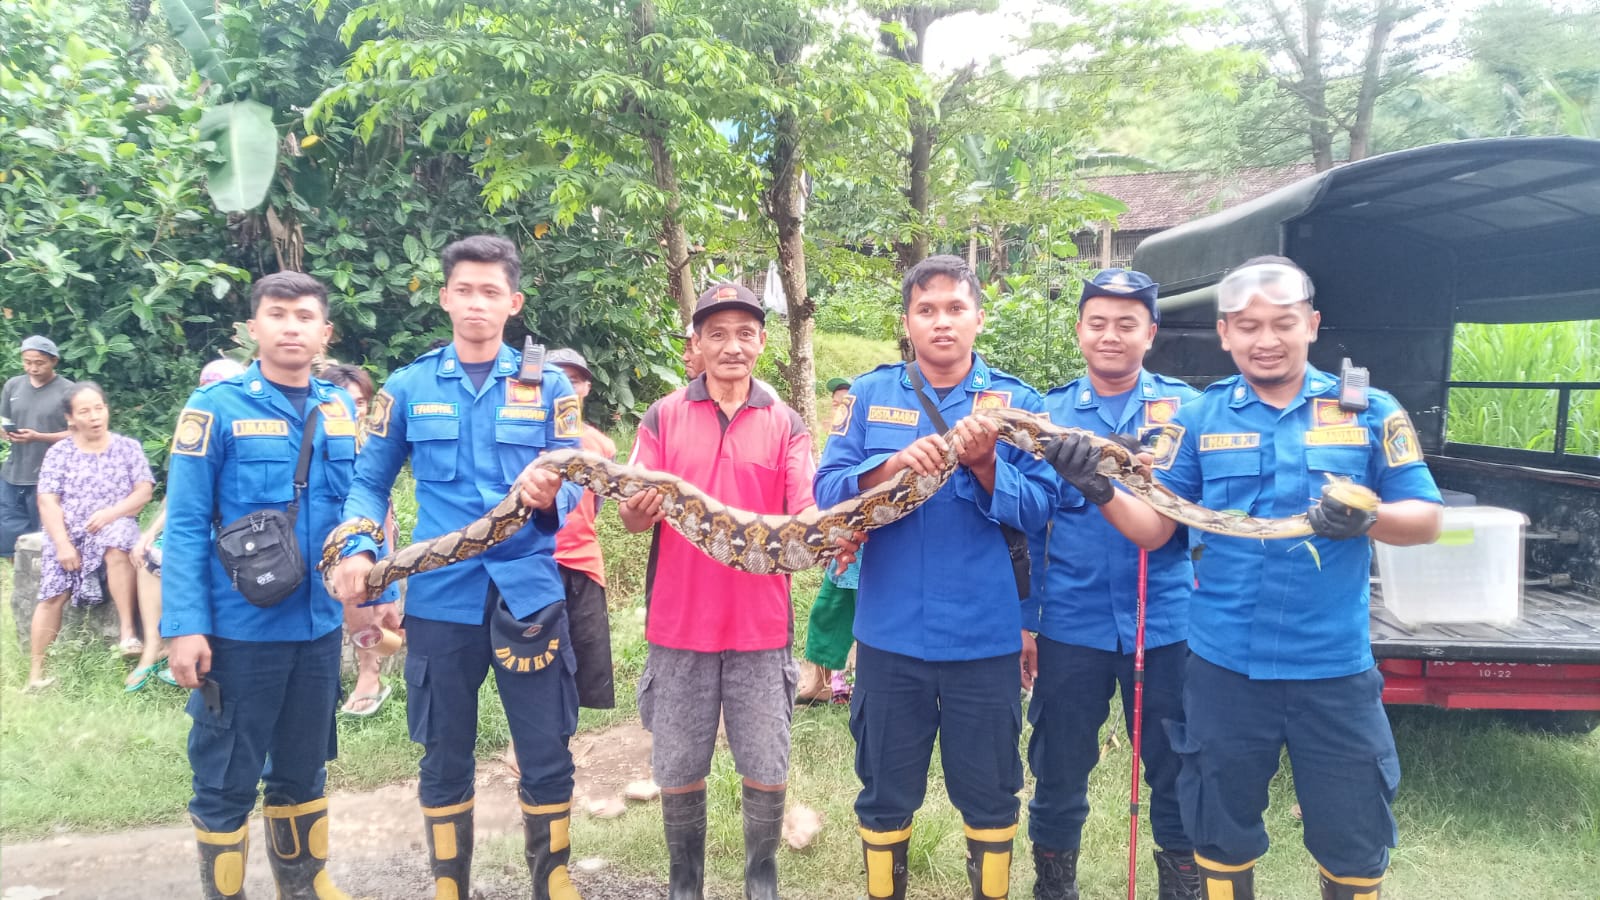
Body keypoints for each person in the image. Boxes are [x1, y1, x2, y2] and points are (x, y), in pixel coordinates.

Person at [1047, 256, 1443, 900]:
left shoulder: (1370, 409)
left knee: (1354, 840)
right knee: (1218, 835)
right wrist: (1097, 487)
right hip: (1224, 669)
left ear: (1311, 325)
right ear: (1225, 333)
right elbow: (1157, 528)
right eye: (1248, 326)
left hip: (1333, 670)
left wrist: (1368, 515)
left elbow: (1424, 520)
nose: (1266, 340)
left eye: (1282, 324)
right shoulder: (1199, 420)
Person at [331, 235, 585, 900]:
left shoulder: (548, 384)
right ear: (445, 297)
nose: (477, 303)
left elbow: (580, 478)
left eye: (491, 291)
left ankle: (552, 880)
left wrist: (554, 490)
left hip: (526, 591)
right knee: (444, 753)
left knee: (546, 747)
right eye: (464, 290)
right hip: (440, 598)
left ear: (514, 302)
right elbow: (368, 483)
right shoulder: (407, 386)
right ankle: (450, 884)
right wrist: (359, 546)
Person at [814, 255, 1060, 900]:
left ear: (979, 317)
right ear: (907, 322)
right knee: (885, 790)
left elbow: (1041, 509)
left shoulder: (1020, 405)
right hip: (892, 635)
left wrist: (985, 467)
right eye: (927, 310)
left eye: (955, 308)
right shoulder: (868, 396)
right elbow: (827, 489)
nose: (942, 322)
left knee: (991, 792)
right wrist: (886, 467)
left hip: (985, 636)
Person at [163, 271, 390, 899]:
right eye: (278, 314)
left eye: (305, 316)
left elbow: (360, 507)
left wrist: (372, 595)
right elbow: (182, 525)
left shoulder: (338, 408)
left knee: (303, 768)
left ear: (325, 332)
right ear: (253, 327)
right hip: (241, 629)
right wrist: (183, 625)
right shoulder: (214, 408)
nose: (292, 326)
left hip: (316, 626)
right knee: (226, 776)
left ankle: (306, 887)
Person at [619, 282, 818, 900]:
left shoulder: (786, 424)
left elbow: (805, 513)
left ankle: (762, 880)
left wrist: (822, 534)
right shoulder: (663, 416)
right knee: (678, 766)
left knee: (765, 762)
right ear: (696, 345)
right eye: (717, 334)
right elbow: (628, 514)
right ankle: (686, 886)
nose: (732, 346)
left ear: (761, 343)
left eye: (745, 333)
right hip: (679, 625)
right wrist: (640, 507)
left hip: (761, 627)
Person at [1023, 269, 1202, 900]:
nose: (1111, 336)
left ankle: (1182, 888)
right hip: (1071, 624)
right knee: (1058, 765)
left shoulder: (1185, 411)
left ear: (1150, 333)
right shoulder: (1048, 416)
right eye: (1098, 322)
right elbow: (1028, 524)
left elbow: (1191, 516)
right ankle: (1054, 888)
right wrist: (1027, 621)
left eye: (1127, 324)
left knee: (1178, 766)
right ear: (1079, 330)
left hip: (1167, 622)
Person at [126, 358, 248, 692]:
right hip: (196, 523)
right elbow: (180, 497)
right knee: (153, 555)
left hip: (232, 530)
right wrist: (149, 533)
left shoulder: (246, 425)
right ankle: (154, 648)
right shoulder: (196, 424)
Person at [26, 382, 154, 689]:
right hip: (70, 533)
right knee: (52, 593)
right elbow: (47, 500)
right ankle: (36, 674)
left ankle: (127, 634)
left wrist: (111, 513)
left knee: (118, 540)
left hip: (114, 524)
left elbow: (144, 491)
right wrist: (63, 544)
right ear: (71, 418)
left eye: (99, 408)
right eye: (85, 411)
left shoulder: (127, 447)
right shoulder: (60, 452)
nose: (95, 416)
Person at [319, 363, 399, 717]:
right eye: (348, 401)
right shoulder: (312, 437)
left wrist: (389, 576)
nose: (356, 409)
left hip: (365, 540)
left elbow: (382, 508)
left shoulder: (369, 443)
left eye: (362, 402)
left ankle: (371, 676)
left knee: (365, 614)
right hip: (318, 540)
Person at [546, 348, 619, 710]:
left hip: (585, 562)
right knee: (541, 658)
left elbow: (597, 505)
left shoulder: (602, 446)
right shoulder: (526, 438)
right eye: (555, 376)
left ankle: (563, 742)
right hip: (538, 562)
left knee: (585, 662)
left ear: (586, 388)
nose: (564, 385)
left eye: (572, 379)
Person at [797, 376, 860, 705]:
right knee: (828, 610)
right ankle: (819, 682)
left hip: (870, 548)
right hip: (841, 546)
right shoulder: (834, 445)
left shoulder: (868, 437)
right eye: (835, 405)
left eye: (845, 404)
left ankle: (851, 682)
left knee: (867, 615)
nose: (839, 410)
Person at [2, 335, 74, 559]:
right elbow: (3, 417)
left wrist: (39, 437)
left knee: (45, 535)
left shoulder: (69, 391)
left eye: (39, 362)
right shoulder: (13, 385)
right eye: (27, 362)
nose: (32, 368)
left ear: (54, 361)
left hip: (50, 474)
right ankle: (18, 575)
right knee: (9, 528)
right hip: (14, 471)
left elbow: (78, 433)